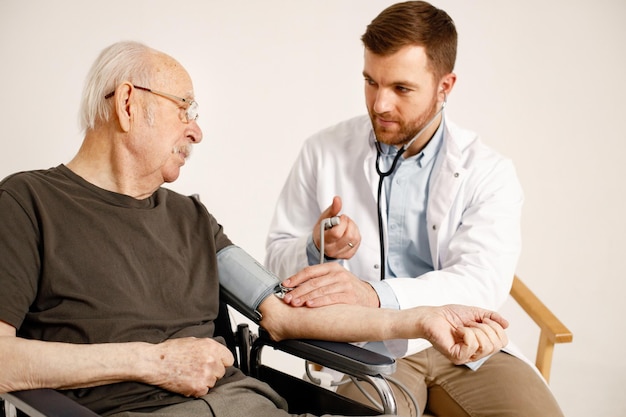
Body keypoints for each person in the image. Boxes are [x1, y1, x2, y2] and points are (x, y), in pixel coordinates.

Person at [0, 41, 509, 417]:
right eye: (186, 110)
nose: (197, 130)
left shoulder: (191, 219)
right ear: (130, 103)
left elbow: (285, 314)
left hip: (250, 406)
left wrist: (422, 319)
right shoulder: (27, 203)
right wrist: (153, 363)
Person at [264, 2, 564, 417]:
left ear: (445, 86)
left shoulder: (488, 171)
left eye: (401, 89)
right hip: (367, 348)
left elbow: (481, 281)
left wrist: (373, 296)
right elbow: (276, 261)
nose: (380, 104)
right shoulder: (323, 151)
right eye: (371, 82)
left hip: (465, 345)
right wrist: (317, 246)